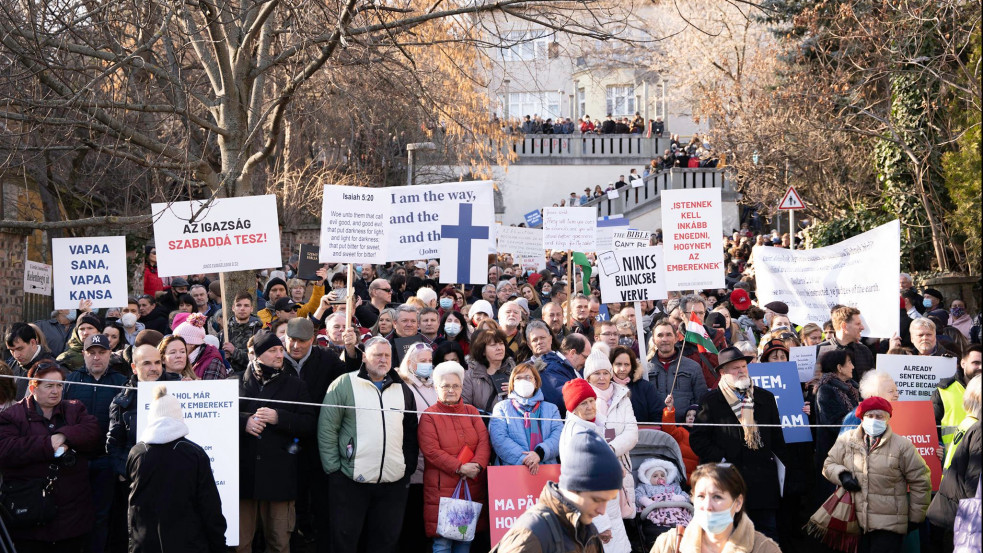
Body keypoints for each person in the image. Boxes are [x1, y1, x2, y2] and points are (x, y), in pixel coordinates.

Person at [318, 336, 419, 553]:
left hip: (393, 482)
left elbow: (411, 433)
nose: (383, 360)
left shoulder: (403, 389)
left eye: (387, 355)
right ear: (364, 357)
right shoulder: (344, 384)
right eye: (377, 355)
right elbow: (327, 429)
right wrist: (334, 470)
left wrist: (406, 467)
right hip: (350, 480)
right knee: (345, 542)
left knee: (385, 543)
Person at [0, 361, 101, 552]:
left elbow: (93, 431)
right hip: (29, 518)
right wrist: (47, 445)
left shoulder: (74, 409)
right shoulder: (12, 416)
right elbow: (5, 450)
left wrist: (63, 436)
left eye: (59, 385)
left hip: (72, 519)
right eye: (49, 386)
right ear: (32, 387)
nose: (55, 391)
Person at [689, 347, 786, 541]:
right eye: (735, 368)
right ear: (723, 373)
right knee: (730, 536)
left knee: (765, 535)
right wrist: (723, 458)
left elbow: (777, 437)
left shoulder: (764, 397)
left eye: (743, 366)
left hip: (763, 481)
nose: (741, 371)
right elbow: (698, 440)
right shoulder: (711, 401)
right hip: (728, 479)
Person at [494, 407, 622, 552]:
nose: (602, 511)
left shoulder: (589, 531)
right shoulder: (532, 533)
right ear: (575, 488)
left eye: (607, 500)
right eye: (597, 499)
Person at [238, 331, 315, 553]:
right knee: (240, 544)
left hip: (280, 476)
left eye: (281, 350)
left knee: (279, 542)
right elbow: (219, 417)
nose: (280, 354)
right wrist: (244, 422)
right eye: (272, 350)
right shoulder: (234, 381)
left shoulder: (296, 385)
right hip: (243, 477)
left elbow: (309, 423)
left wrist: (280, 417)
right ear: (258, 355)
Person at [823, 397, 931, 553]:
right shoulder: (846, 440)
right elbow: (828, 464)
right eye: (870, 416)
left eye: (879, 416)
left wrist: (915, 517)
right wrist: (842, 475)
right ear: (862, 417)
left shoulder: (902, 446)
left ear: (888, 419)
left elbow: (921, 480)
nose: (874, 420)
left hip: (889, 525)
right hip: (853, 520)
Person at [126, 385, 227, 553]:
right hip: (189, 543)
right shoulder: (194, 454)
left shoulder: (137, 453)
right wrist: (219, 545)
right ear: (179, 416)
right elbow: (210, 506)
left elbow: (132, 506)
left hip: (144, 544)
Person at [419, 361, 492, 553]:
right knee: (442, 543)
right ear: (436, 388)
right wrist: (460, 467)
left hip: (472, 485)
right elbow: (431, 451)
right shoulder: (429, 415)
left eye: (455, 385)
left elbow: (484, 442)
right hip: (442, 489)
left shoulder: (472, 411)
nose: (451, 390)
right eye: (446, 386)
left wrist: (477, 464)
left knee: (464, 540)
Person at [560, 378, 630, 552]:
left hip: (607, 510)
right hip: (597, 516)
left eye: (592, 400)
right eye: (583, 403)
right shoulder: (580, 435)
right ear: (573, 408)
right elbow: (583, 484)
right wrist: (601, 524)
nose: (590, 406)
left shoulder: (593, 426)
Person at [650, 463, 781, 553]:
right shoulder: (670, 543)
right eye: (701, 496)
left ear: (738, 503)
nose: (707, 506)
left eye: (717, 497)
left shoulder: (763, 548)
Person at [583, 344, 638, 547]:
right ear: (588, 377)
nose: (602, 378)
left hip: (621, 465)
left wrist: (612, 449)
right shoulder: (582, 399)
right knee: (601, 523)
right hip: (596, 471)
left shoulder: (623, 397)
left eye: (605, 373)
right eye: (596, 373)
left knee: (620, 522)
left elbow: (632, 433)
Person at [927, 376, 981, 551]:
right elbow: (974, 481)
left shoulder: (968, 422)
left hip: (949, 506)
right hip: (963, 513)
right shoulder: (978, 428)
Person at [395, 341, 437, 551]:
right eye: (422, 361)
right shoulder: (402, 386)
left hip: (434, 461)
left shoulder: (436, 384)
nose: (427, 365)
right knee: (411, 518)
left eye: (430, 361)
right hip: (412, 460)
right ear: (410, 363)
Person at [489, 363, 563, 471]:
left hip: (547, 469)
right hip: (512, 471)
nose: (524, 381)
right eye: (518, 378)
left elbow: (558, 436)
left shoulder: (551, 409)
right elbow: (499, 439)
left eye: (528, 377)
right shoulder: (501, 407)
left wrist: (539, 454)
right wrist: (525, 459)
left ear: (536, 382)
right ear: (512, 383)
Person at [810, 349, 861, 503]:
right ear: (839, 367)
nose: (853, 367)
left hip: (850, 452)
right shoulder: (826, 390)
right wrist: (860, 420)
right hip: (833, 454)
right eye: (850, 363)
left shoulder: (851, 388)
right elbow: (833, 423)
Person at [646, 319, 708, 422]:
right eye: (660, 335)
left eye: (669, 335)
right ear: (653, 340)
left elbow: (702, 401)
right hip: (655, 426)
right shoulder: (644, 368)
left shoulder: (693, 367)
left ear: (676, 338)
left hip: (684, 427)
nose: (664, 339)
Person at [463, 328, 515, 414]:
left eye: (501, 344)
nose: (499, 348)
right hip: (481, 424)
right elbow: (464, 407)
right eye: (493, 345)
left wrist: (515, 392)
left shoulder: (515, 373)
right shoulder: (470, 375)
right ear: (483, 351)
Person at [815, 306, 875, 381]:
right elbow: (815, 385)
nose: (862, 327)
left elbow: (872, 383)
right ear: (844, 326)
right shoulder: (820, 350)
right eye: (858, 324)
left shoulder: (864, 351)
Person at [539, 332, 591, 416]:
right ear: (572, 353)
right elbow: (564, 400)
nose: (586, 361)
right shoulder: (551, 369)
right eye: (585, 357)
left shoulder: (573, 367)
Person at [635, 458, 692, 531]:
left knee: (684, 514)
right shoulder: (645, 487)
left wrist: (680, 497)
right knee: (653, 516)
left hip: (674, 508)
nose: (660, 477)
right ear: (648, 478)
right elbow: (638, 495)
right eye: (655, 476)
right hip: (656, 508)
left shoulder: (673, 486)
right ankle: (667, 523)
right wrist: (645, 500)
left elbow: (685, 495)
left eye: (662, 475)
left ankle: (679, 523)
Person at [610, 345, 662, 424]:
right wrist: (610, 436)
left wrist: (648, 433)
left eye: (627, 364)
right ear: (611, 365)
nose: (622, 369)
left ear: (632, 365)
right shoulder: (605, 387)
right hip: (612, 434)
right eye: (618, 364)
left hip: (641, 434)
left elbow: (657, 415)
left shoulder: (645, 388)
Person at [5, 322, 56, 399]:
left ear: (33, 343)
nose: (16, 355)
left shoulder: (54, 368)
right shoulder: (9, 367)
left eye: (20, 349)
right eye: (11, 350)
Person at [173, 312, 231, 379]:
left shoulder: (213, 363)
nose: (176, 344)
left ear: (192, 343)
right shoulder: (181, 359)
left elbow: (210, 388)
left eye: (180, 341)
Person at [220, 291, 263, 375]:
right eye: (238, 305)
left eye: (246, 305)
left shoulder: (259, 332)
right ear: (233, 308)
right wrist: (222, 356)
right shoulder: (223, 332)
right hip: (227, 379)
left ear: (251, 308)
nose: (242, 308)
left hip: (251, 377)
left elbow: (260, 359)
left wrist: (234, 352)